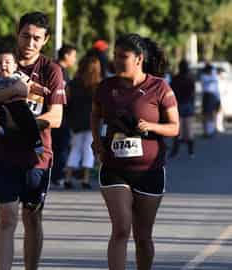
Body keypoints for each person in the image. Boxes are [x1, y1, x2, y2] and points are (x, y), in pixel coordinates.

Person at [0, 12, 65, 270]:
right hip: (4, 152)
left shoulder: (51, 70)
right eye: (26, 36)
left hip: (37, 155)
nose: (30, 43)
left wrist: (24, 125)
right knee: (6, 217)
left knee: (32, 217)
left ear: (45, 40)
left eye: (37, 38)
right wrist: (12, 91)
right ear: (17, 34)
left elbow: (56, 117)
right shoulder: (1, 63)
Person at [91, 33, 179, 270]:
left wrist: (150, 126)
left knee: (143, 237)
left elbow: (174, 127)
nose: (117, 61)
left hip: (149, 171)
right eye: (115, 56)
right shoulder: (106, 87)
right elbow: (96, 114)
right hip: (114, 168)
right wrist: (96, 141)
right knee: (121, 228)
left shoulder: (159, 87)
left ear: (139, 59)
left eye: (123, 57)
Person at [63, 52, 102, 189]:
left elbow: (66, 103)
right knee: (89, 150)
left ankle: (68, 178)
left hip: (75, 123)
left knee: (75, 149)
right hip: (92, 123)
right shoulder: (98, 86)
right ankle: (85, 180)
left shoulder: (72, 84)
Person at [51, 44, 76, 186]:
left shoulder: (57, 69)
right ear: (66, 55)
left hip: (58, 115)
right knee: (61, 146)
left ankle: (53, 174)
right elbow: (63, 95)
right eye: (73, 55)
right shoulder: (59, 71)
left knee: (56, 146)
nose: (74, 59)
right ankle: (57, 175)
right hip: (58, 115)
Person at [169, 59, 196, 158]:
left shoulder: (175, 79)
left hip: (178, 105)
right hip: (188, 105)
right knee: (189, 130)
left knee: (177, 130)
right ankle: (191, 151)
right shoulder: (190, 79)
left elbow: (171, 93)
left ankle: (175, 151)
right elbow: (193, 94)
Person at [200, 62, 220, 138]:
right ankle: (206, 131)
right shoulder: (204, 76)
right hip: (207, 96)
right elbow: (208, 81)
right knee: (206, 114)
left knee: (211, 114)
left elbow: (216, 89)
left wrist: (218, 98)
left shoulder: (213, 76)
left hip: (212, 96)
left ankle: (210, 130)